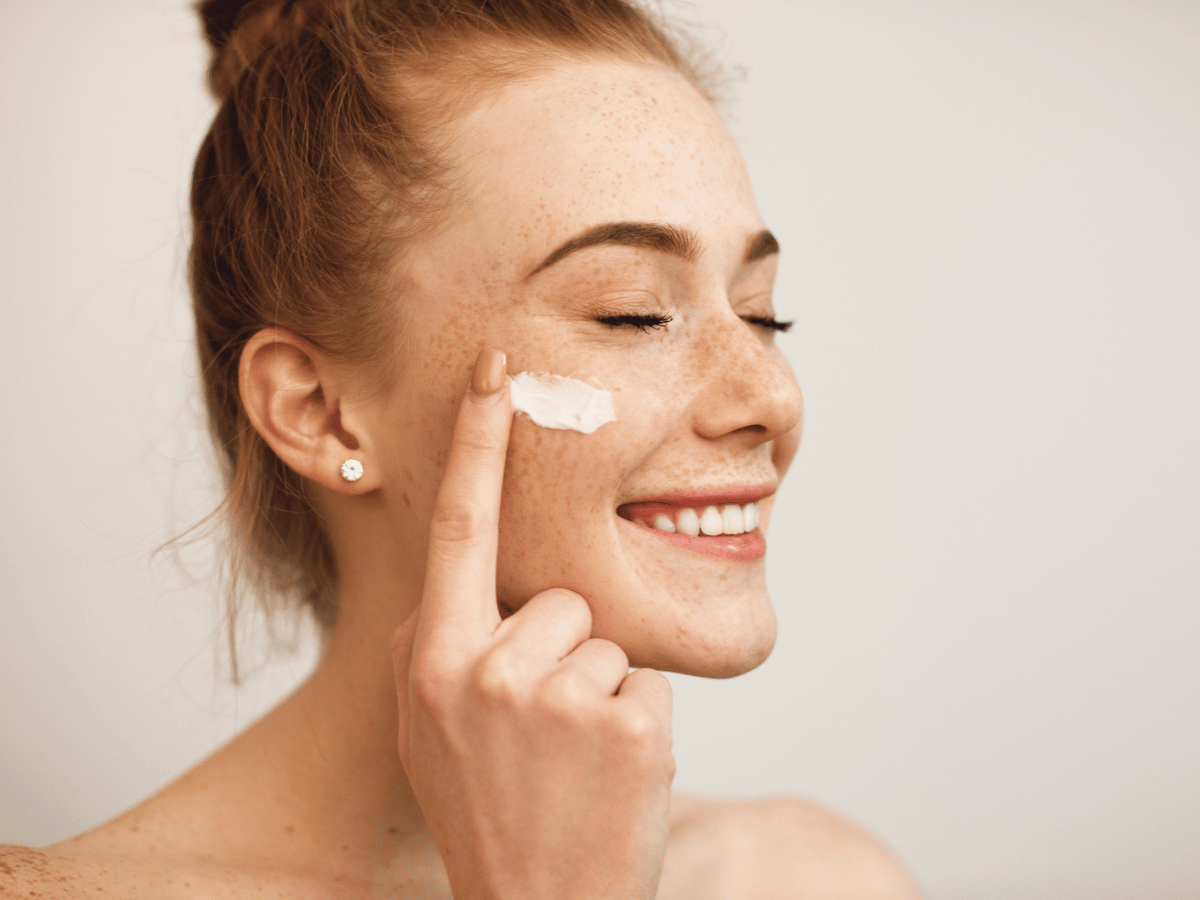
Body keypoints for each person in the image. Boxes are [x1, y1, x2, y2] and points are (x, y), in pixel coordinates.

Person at [0, 0, 920, 896]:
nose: (774, 396)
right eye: (631, 312)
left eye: (762, 313)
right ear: (319, 412)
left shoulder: (817, 879)